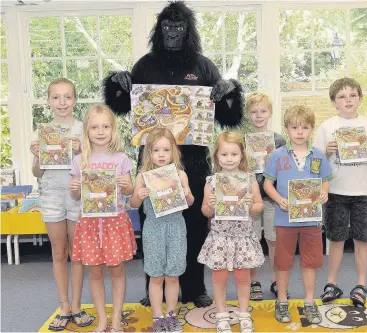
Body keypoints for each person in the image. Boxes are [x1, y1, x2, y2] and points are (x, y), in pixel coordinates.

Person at [102, 1, 244, 307]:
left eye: (179, 27)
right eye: (168, 27)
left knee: (192, 225)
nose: (173, 33)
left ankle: (194, 289)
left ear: (188, 31)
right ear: (159, 29)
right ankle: (152, 284)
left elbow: (228, 117)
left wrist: (230, 90)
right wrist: (117, 83)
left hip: (191, 161)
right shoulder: (144, 65)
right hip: (153, 161)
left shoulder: (203, 66)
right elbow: (123, 107)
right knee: (152, 222)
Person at [29, 78, 94, 331]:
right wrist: (37, 156)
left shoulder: (82, 129)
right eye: (56, 97)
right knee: (58, 252)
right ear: (48, 101)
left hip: (76, 193)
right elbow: (37, 172)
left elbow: (92, 170)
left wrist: (80, 152)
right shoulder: (43, 130)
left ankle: (77, 306)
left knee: (76, 254)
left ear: (75, 100)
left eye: (67, 97)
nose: (62, 102)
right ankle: (64, 305)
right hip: (51, 195)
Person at [313, 77, 367, 307]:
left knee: (363, 238)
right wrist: (327, 152)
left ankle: (361, 285)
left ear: (360, 99)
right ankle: (331, 284)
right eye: (342, 96)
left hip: (362, 191)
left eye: (353, 95)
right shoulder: (327, 127)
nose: (348, 100)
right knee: (336, 238)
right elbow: (315, 165)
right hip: (335, 191)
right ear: (334, 102)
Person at [69, 104, 137, 332]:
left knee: (117, 271)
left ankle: (116, 317)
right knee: (95, 273)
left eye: (105, 126)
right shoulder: (80, 161)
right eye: (94, 127)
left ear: (113, 129)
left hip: (114, 222)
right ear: (86, 131)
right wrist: (75, 187)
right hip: (89, 224)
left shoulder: (121, 159)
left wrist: (128, 185)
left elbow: (129, 191)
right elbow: (76, 194)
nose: (100, 131)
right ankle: (102, 319)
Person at [264, 105, 332, 324]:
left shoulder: (318, 156)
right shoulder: (277, 155)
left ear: (311, 129)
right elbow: (267, 184)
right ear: (287, 129)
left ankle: (310, 302)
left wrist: (323, 193)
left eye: (305, 127)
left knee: (310, 262)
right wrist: (279, 199)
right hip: (285, 220)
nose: (300, 132)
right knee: (282, 262)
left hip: (311, 221)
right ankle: (282, 301)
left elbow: (325, 182)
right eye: (295, 127)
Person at [198, 131, 265, 333]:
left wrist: (250, 205)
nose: (229, 159)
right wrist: (210, 205)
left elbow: (259, 206)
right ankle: (221, 314)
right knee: (219, 277)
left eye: (234, 154)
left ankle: (244, 314)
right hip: (220, 238)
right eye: (224, 155)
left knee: (242, 277)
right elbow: (205, 211)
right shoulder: (212, 182)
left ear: (242, 156)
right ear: (217, 156)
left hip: (242, 237)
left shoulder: (249, 180)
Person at [130, 127, 194, 333]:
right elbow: (132, 203)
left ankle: (172, 314)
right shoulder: (143, 176)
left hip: (176, 227)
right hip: (153, 229)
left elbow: (191, 201)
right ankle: (158, 316)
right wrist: (139, 195)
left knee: (173, 275)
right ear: (149, 152)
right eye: (156, 150)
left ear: (173, 151)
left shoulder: (180, 174)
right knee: (156, 276)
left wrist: (186, 193)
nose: (161, 155)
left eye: (166, 150)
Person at [244, 92, 287, 301]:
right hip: (250, 199)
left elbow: (284, 169)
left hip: (272, 198)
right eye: (253, 112)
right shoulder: (243, 141)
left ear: (270, 113)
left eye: (262, 111)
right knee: (252, 239)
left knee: (273, 240)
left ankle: (277, 281)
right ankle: (254, 282)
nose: (258, 115)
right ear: (247, 115)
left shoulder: (279, 140)